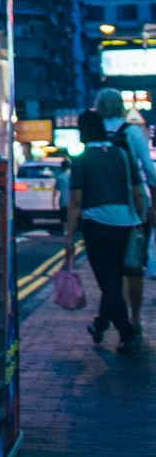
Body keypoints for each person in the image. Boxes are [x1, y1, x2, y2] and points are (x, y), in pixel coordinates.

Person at [65, 109, 145, 354]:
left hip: (97, 225)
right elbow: (137, 192)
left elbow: (76, 200)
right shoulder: (122, 154)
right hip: (125, 223)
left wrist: (69, 236)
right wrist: (138, 221)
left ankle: (127, 333)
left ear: (82, 131)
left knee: (109, 282)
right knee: (114, 278)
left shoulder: (82, 158)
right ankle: (100, 325)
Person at [94, 88, 156, 332]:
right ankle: (134, 319)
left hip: (97, 208)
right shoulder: (132, 131)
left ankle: (106, 322)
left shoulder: (94, 131)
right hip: (133, 207)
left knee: (109, 271)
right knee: (132, 268)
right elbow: (149, 170)